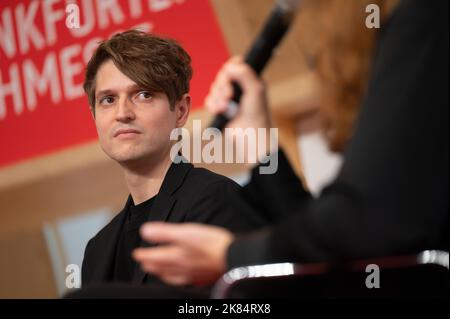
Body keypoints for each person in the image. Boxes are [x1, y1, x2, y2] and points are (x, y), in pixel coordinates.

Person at [131, 0, 449, 287]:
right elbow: (328, 249)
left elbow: (359, 222)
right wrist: (258, 143)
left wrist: (232, 254)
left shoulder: (426, 18)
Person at [81, 30, 265, 286]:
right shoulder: (96, 250)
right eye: (108, 99)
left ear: (180, 111)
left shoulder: (218, 200)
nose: (122, 113)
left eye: (143, 94)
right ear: (94, 117)